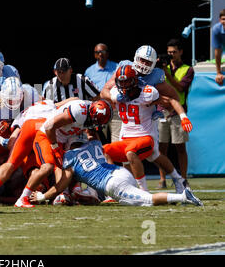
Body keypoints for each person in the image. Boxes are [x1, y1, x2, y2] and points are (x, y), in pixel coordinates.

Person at [100, 45, 192, 191]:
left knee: (152, 154)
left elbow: (172, 98)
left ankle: (152, 187)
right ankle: (119, 187)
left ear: (135, 81)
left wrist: (169, 112)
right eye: (121, 81)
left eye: (148, 62)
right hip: (126, 125)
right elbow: (104, 91)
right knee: (118, 154)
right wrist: (112, 95)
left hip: (145, 124)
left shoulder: (149, 91)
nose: (123, 84)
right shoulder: (122, 76)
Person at [31, 139, 203, 207]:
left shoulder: (70, 157)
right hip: (120, 171)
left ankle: (182, 196)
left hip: (112, 184)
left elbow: (61, 185)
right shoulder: (95, 144)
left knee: (146, 201)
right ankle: (171, 199)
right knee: (131, 203)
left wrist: (42, 196)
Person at [15, 99, 113, 208]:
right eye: (96, 121)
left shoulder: (91, 114)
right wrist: (55, 147)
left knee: (68, 171)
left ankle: (64, 194)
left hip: (62, 139)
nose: (96, 124)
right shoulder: (79, 111)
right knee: (47, 167)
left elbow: (92, 135)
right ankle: (22, 199)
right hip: (47, 136)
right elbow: (49, 126)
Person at [0, 99, 58, 207]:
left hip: (25, 128)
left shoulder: (23, 111)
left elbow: (12, 142)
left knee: (11, 162)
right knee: (46, 167)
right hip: (42, 127)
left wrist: (2, 141)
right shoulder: (46, 104)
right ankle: (31, 195)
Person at [157, 39, 194, 188]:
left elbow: (180, 88)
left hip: (178, 113)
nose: (171, 55)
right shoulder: (160, 69)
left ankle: (183, 179)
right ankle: (162, 179)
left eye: (174, 52)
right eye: (169, 52)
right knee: (161, 148)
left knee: (180, 147)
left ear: (181, 52)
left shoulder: (188, 69)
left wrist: (167, 74)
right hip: (161, 112)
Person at [213, 9, 225, 85]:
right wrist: (218, 73)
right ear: (220, 20)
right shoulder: (216, 29)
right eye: (224, 19)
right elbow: (217, 53)